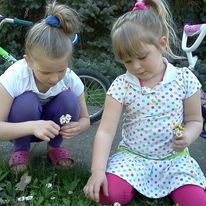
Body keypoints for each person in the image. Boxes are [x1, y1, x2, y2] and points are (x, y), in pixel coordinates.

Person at [83, 0, 206, 205]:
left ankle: (176, 186)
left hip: (173, 159)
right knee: (108, 194)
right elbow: (105, 131)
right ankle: (129, 184)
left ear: (162, 43)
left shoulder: (184, 79)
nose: (136, 66)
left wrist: (188, 136)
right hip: (133, 157)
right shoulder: (122, 85)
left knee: (197, 202)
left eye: (141, 57)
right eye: (127, 61)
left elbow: (195, 120)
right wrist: (97, 171)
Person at [0, 1, 90, 173]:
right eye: (46, 72)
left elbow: (85, 119)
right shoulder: (15, 77)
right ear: (28, 62)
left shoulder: (71, 79)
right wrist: (33, 126)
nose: (54, 78)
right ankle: (21, 149)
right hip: (22, 126)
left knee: (69, 99)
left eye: (61, 70)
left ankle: (54, 147)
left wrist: (79, 126)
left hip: (52, 128)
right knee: (26, 101)